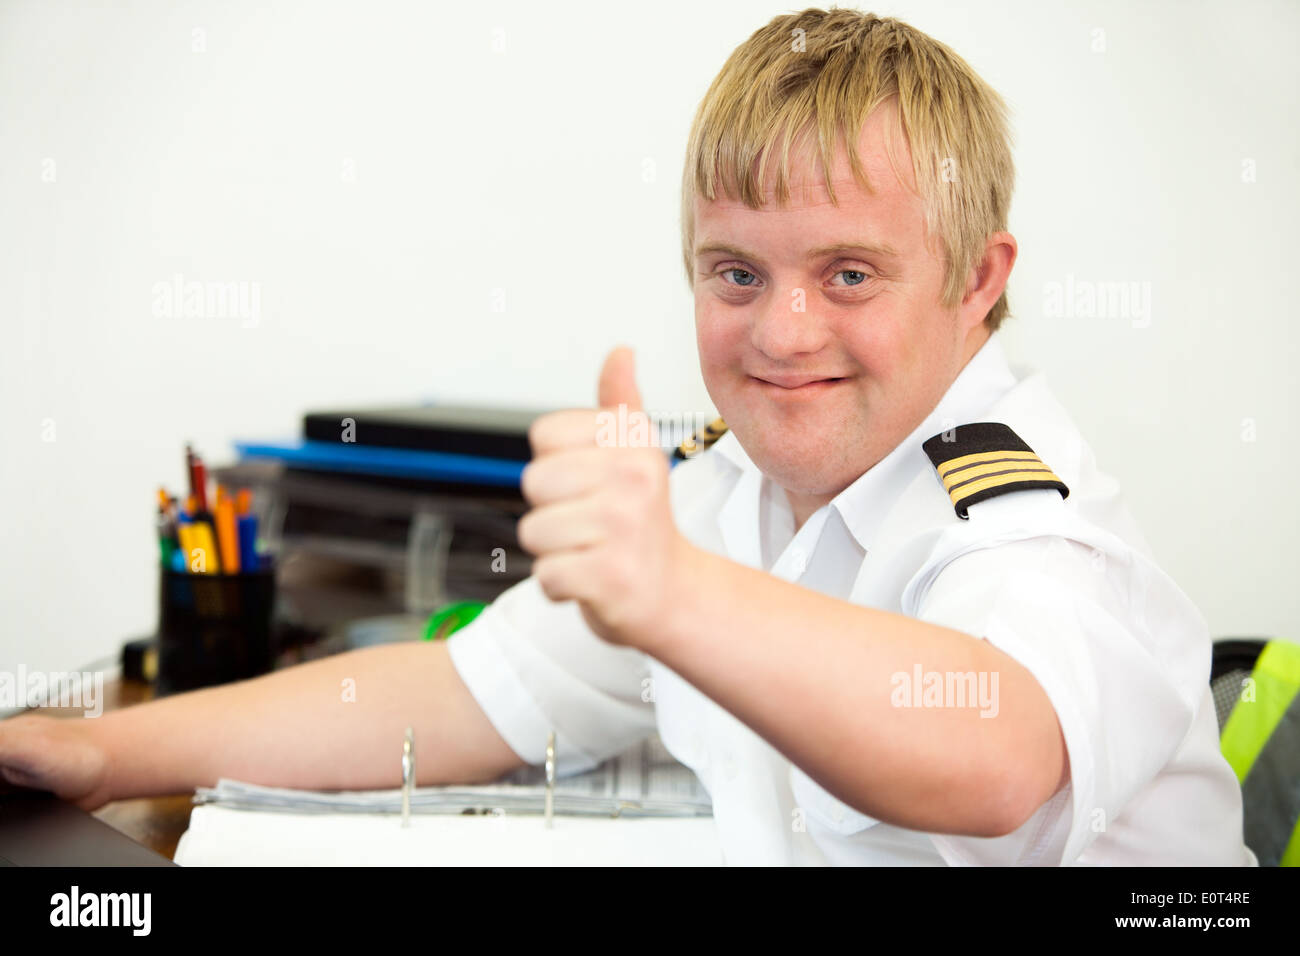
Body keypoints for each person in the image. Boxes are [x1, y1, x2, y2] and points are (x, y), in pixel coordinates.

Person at [0, 8, 1253, 866]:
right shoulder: (730, 494)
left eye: (852, 272)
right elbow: (463, 691)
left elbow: (994, 754)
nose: (783, 329)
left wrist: (676, 594)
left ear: (979, 281)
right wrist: (107, 750)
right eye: (735, 273)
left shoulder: (1024, 515)